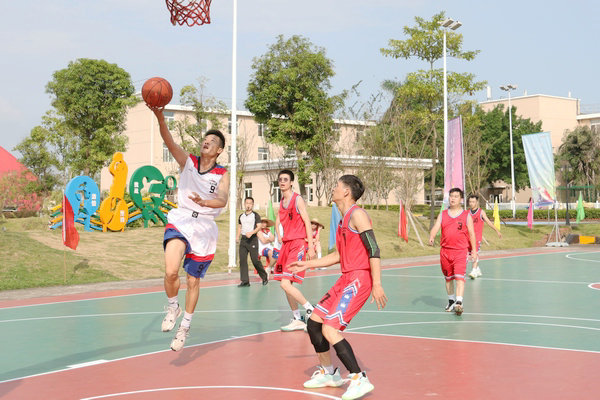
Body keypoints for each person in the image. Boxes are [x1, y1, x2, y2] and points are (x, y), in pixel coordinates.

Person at [289, 175, 387, 400]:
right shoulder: (343, 220)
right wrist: (307, 264)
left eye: (336, 186)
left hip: (359, 279)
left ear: (346, 192)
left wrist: (377, 283)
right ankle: (329, 373)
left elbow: (374, 249)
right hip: (345, 278)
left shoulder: (358, 215)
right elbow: (338, 256)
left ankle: (359, 378)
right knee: (314, 323)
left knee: (330, 330)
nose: (333, 189)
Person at [150, 107, 229, 352]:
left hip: (204, 227)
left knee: (193, 281)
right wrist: (160, 117)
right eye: (205, 139)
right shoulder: (189, 162)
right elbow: (169, 141)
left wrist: (205, 202)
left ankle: (184, 327)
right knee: (170, 271)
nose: (207, 142)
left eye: (212, 141)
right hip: (181, 219)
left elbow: (223, 199)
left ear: (219, 150)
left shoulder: (222, 174)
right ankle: (173, 306)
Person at [273, 169, 316, 332]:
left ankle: (311, 310)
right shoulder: (281, 201)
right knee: (285, 284)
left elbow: (307, 222)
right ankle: (298, 318)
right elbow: (278, 220)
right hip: (286, 245)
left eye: (285, 179)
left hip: (297, 244)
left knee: (285, 283)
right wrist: (278, 235)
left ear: (291, 182)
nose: (282, 182)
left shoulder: (297, 200)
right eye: (280, 179)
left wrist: (310, 246)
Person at [428, 188, 477, 316]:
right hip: (445, 252)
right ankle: (451, 301)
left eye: (456, 196)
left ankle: (459, 302)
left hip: (460, 251)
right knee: (448, 279)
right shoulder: (443, 214)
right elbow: (436, 227)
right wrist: (432, 236)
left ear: (461, 199)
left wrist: (474, 251)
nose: (453, 198)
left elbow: (472, 234)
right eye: (451, 196)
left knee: (459, 277)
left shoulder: (466, 215)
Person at [466, 194, 502, 279]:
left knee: (475, 253)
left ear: (477, 202)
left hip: (477, 237)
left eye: (473, 202)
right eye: (470, 202)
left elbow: (488, 222)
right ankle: (477, 269)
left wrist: (497, 230)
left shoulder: (481, 212)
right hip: (468, 237)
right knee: (469, 254)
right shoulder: (467, 213)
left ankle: (474, 270)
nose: (471, 203)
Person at [237, 197, 268, 287]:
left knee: (255, 260)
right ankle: (245, 281)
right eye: (247, 203)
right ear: (244, 204)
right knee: (242, 260)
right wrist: (237, 237)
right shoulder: (241, 216)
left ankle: (264, 277)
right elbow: (239, 227)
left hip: (252, 240)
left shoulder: (255, 215)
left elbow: (259, 226)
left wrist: (251, 233)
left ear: (252, 205)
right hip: (243, 240)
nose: (248, 205)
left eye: (250, 203)